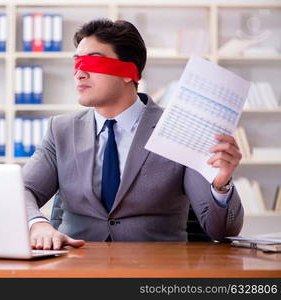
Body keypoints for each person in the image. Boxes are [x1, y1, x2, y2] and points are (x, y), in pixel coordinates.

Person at [22, 19, 244, 250]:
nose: (79, 73)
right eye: (77, 62)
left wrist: (221, 183)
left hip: (155, 271)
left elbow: (222, 230)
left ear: (129, 73)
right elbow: (23, 190)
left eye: (93, 62)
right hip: (77, 266)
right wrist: (37, 224)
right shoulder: (61, 130)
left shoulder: (179, 127)